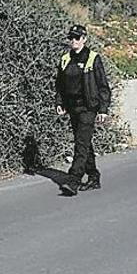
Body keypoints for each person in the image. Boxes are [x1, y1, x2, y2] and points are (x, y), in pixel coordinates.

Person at [55, 24, 111, 196]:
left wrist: (103, 109)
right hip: (72, 107)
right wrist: (59, 102)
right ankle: (94, 177)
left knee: (80, 143)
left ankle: (74, 180)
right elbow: (60, 84)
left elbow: (103, 86)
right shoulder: (65, 59)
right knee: (84, 143)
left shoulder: (93, 58)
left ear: (84, 39)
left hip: (88, 108)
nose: (74, 41)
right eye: (71, 38)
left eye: (77, 38)